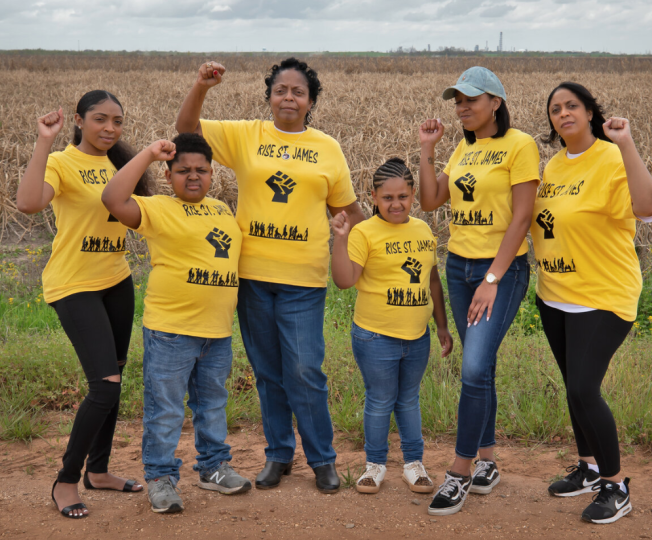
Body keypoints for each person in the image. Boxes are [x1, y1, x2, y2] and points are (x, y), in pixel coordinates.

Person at [175, 57, 365, 493]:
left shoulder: (327, 148)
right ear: (269, 96)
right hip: (252, 277)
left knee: (304, 370)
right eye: (281, 90)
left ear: (311, 101)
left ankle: (322, 459)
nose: (289, 97)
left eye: (298, 92)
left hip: (304, 279)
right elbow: (187, 130)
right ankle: (279, 455)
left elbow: (349, 211)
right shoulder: (246, 135)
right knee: (267, 371)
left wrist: (384, 243)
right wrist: (201, 86)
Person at [532, 82, 652, 524]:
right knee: (573, 385)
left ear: (590, 112)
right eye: (555, 109)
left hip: (604, 294)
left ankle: (615, 484)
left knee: (584, 388)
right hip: (555, 295)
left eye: (572, 106)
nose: (563, 113)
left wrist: (626, 143)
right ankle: (587, 467)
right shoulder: (552, 165)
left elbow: (648, 208)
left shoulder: (610, 157)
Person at [101, 133, 250, 513]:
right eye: (183, 170)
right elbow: (113, 199)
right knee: (165, 409)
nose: (193, 176)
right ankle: (161, 478)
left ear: (213, 173)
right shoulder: (158, 208)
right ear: (169, 175)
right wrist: (149, 154)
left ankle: (214, 468)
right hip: (171, 331)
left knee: (213, 404)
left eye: (201, 169)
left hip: (217, 332)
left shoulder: (221, 210)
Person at [16, 91, 148, 519]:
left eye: (117, 121)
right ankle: (66, 479)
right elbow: (29, 203)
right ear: (78, 120)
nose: (110, 128)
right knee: (104, 385)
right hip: (73, 285)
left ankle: (100, 470)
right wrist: (44, 141)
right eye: (99, 119)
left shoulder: (117, 164)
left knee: (115, 379)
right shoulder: (62, 162)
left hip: (116, 280)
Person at [418, 67, 540, 516]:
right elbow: (431, 201)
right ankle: (487, 461)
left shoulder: (520, 145)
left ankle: (460, 471)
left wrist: (491, 280)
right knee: (480, 368)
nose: (462, 107)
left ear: (496, 102)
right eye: (457, 101)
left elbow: (522, 218)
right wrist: (427, 151)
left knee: (472, 370)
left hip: (499, 273)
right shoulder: (462, 149)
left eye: (472, 99)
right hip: (458, 268)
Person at [330, 158, 453, 495]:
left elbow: (433, 282)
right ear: (373, 196)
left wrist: (441, 325)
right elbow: (344, 281)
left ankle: (414, 464)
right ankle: (375, 465)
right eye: (387, 198)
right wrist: (340, 240)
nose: (396, 204)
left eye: (403, 196)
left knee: (409, 400)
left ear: (413, 194)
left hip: (417, 336)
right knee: (381, 400)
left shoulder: (423, 231)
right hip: (375, 336)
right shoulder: (364, 232)